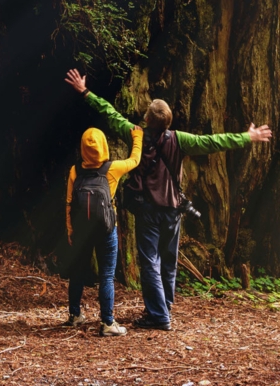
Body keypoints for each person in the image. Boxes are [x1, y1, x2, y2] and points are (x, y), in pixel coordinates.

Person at [65, 68, 272, 331]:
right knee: (168, 261)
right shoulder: (180, 139)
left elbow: (109, 113)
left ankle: (159, 315)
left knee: (150, 261)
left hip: (148, 210)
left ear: (148, 118)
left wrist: (85, 91)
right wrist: (247, 137)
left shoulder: (135, 133)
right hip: (173, 209)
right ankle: (164, 306)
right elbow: (213, 142)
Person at [65, 120, 143, 336]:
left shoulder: (75, 171)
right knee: (106, 276)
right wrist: (137, 137)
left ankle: (74, 315)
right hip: (106, 230)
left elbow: (70, 202)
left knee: (77, 273)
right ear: (103, 146)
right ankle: (108, 323)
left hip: (81, 231)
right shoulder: (113, 169)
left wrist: (70, 230)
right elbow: (135, 160)